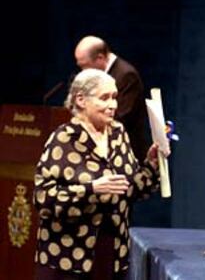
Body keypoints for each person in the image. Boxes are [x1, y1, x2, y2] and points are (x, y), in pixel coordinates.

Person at [33, 69, 169, 280]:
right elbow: (43, 199)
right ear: (81, 100)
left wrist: (151, 165)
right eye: (104, 98)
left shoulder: (118, 133)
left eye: (114, 97)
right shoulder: (64, 138)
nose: (113, 105)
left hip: (112, 253)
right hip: (68, 257)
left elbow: (130, 188)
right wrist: (92, 189)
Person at [74, 35, 148, 163]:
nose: (82, 72)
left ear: (100, 58)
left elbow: (120, 116)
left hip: (124, 154)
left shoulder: (126, 75)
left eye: (85, 66)